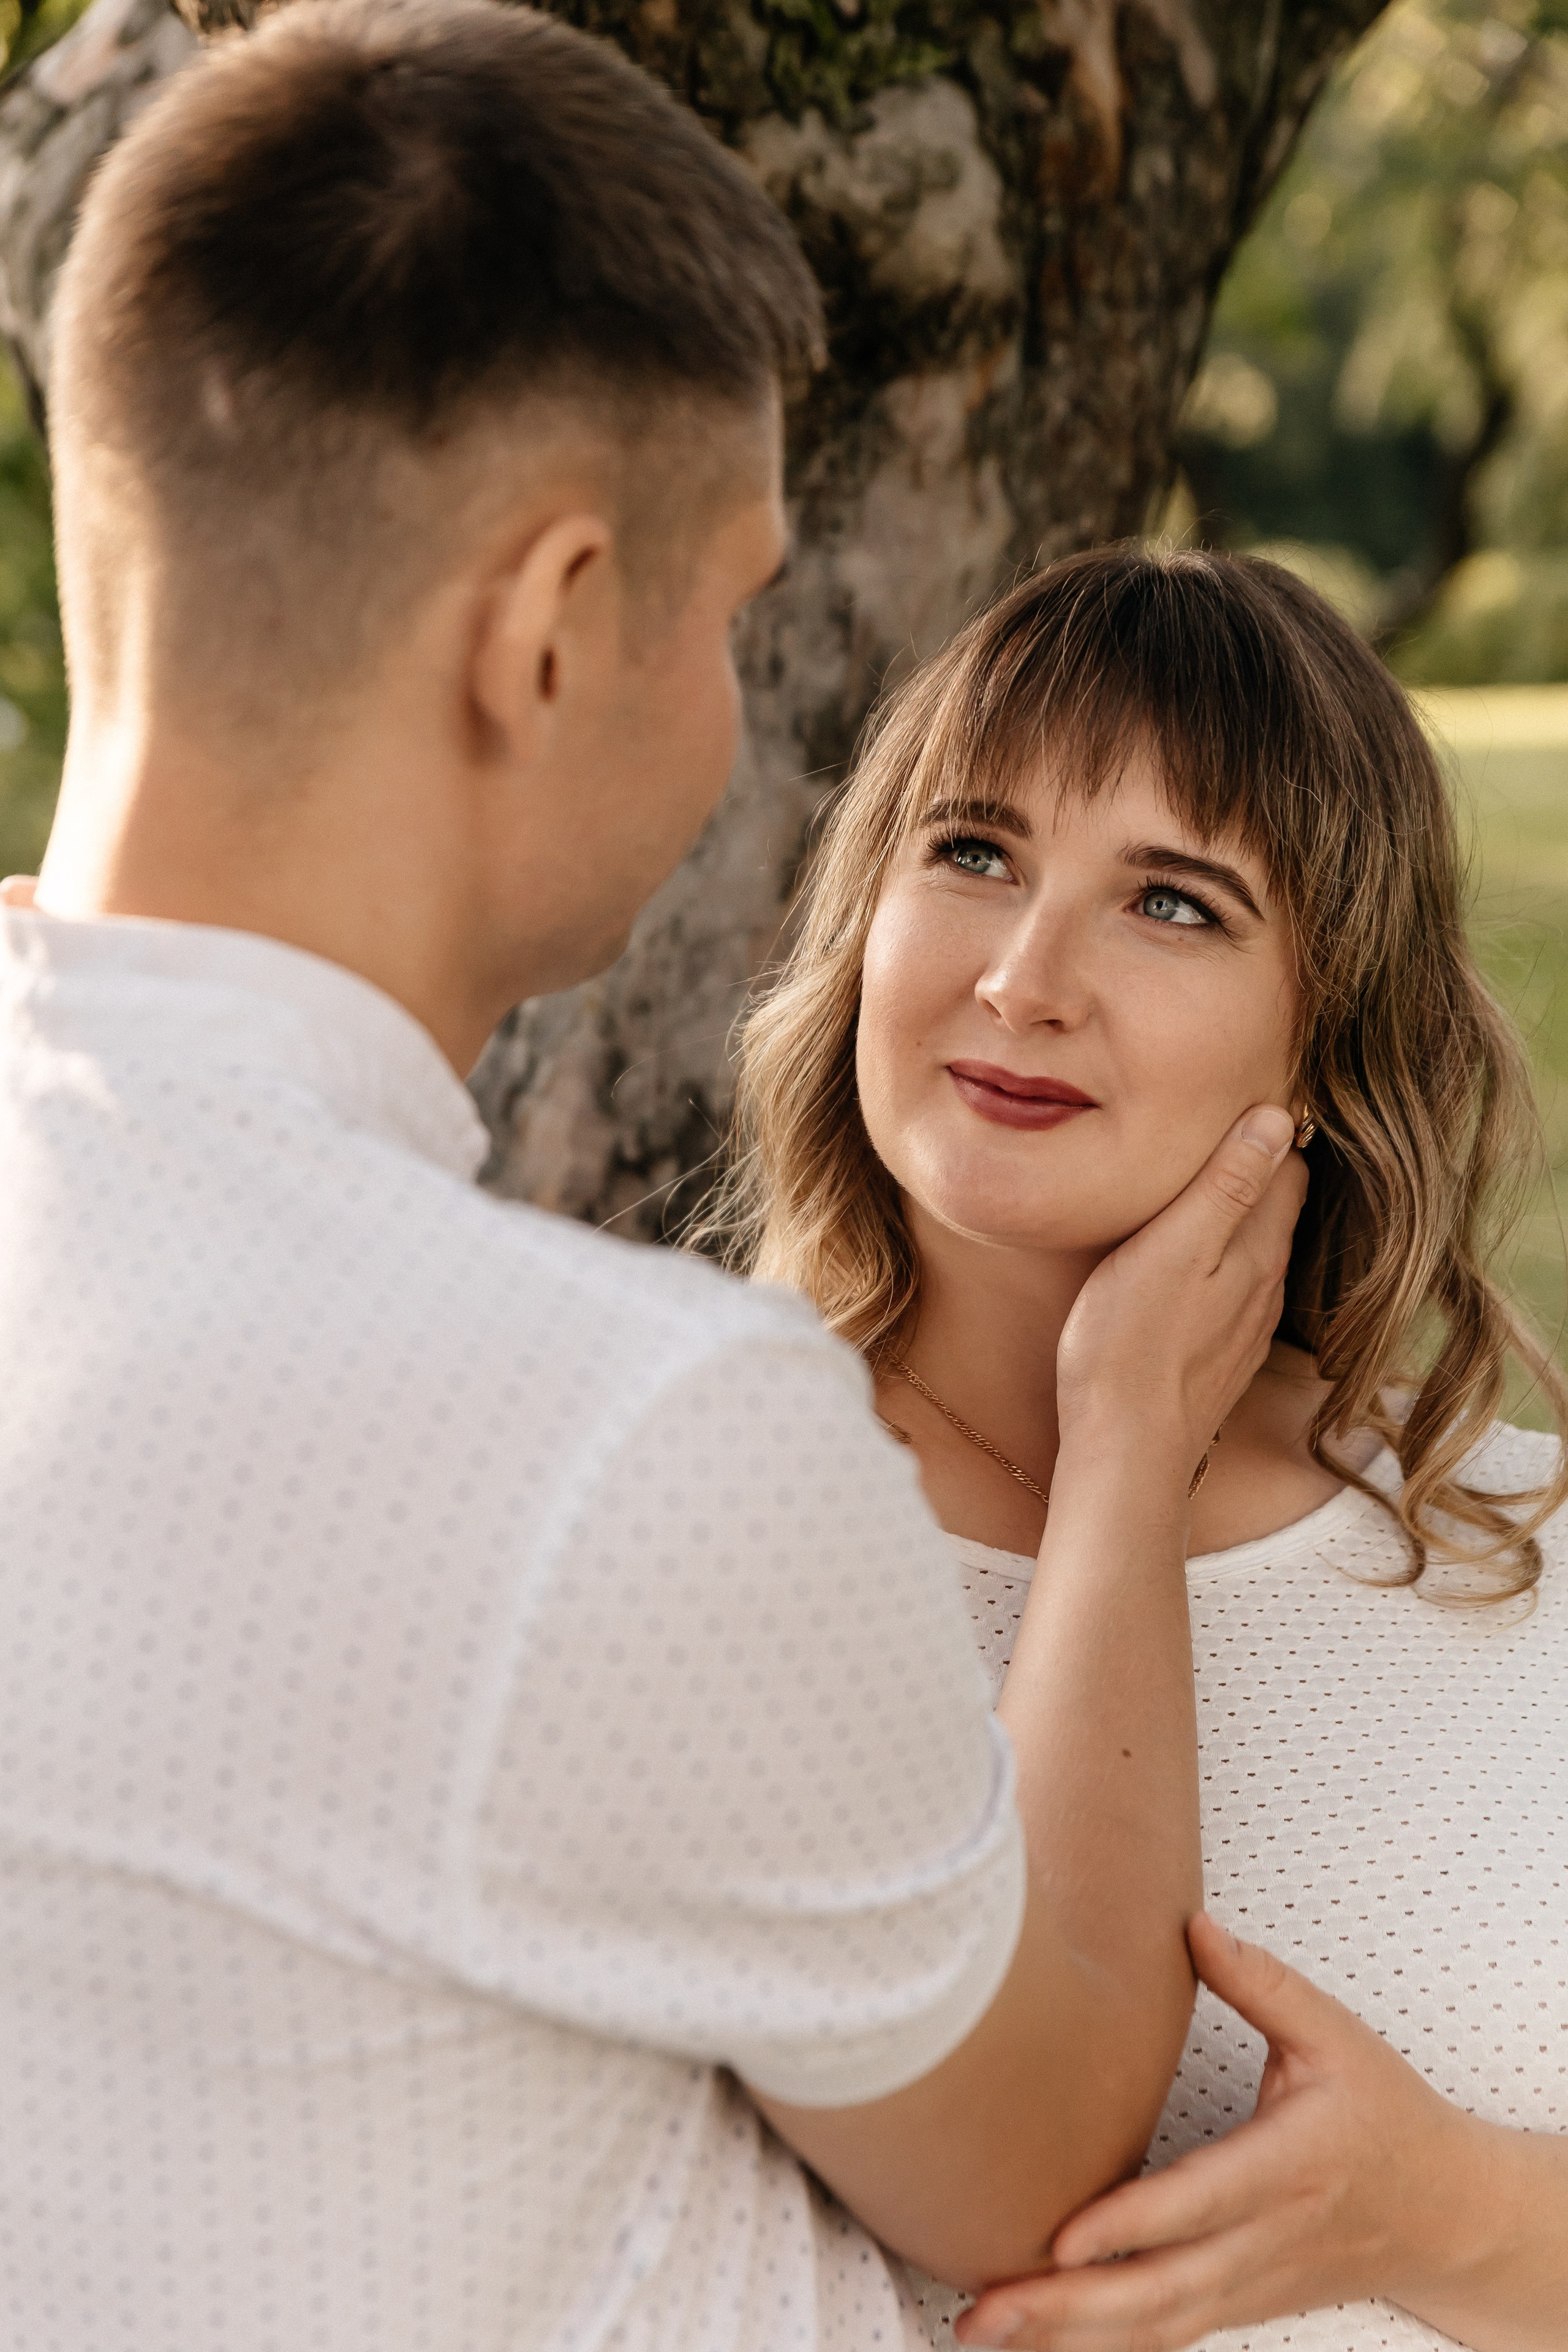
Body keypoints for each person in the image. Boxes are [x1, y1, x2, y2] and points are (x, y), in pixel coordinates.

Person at [0, 7, 1308, 2348]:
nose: (729, 702)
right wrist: (1123, 1459)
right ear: (553, 623)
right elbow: (1034, 2169)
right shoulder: (624, 1430)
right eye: (730, 609)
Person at [707, 544, 1568, 2352]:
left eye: (1171, 903)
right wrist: (1121, 1452)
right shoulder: (677, 1511)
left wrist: (1447, 2215)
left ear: (1328, 1030)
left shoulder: (1522, 1547)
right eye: (974, 853)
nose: (1024, 979)